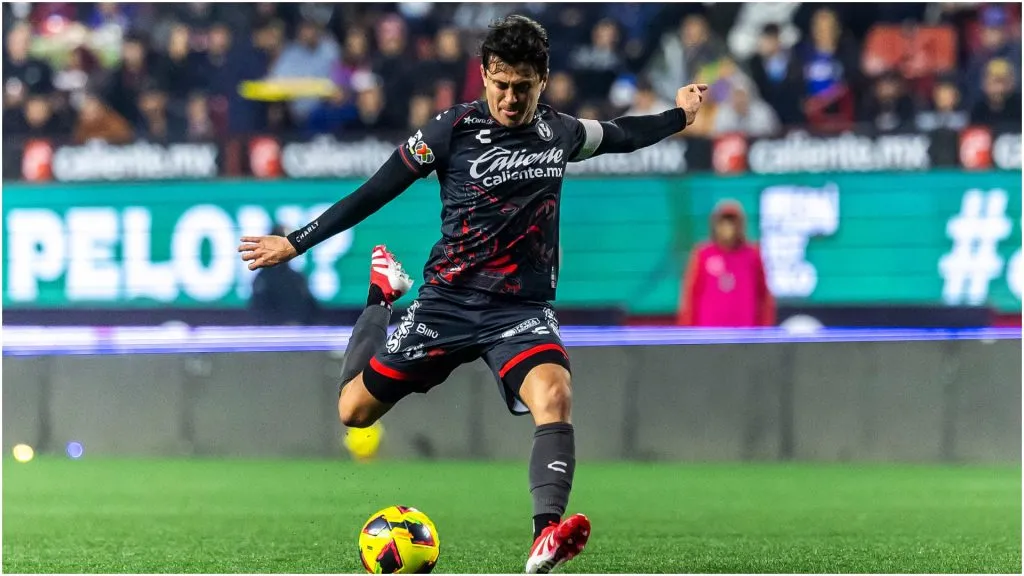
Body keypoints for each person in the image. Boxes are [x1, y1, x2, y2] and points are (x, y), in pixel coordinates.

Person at [238, 15, 706, 574]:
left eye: (523, 87)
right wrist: (296, 241)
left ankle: (545, 536)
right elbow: (374, 191)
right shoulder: (449, 130)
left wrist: (681, 115)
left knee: (554, 397)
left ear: (543, 79)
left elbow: (624, 134)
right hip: (447, 303)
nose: (510, 99)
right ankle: (381, 296)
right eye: (501, 84)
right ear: (484, 76)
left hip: (520, 311)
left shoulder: (560, 133)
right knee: (354, 412)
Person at [677, 200, 775, 328]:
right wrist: (687, 331)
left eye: (732, 223)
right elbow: (691, 295)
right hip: (708, 334)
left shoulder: (752, 255)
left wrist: (764, 329)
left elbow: (763, 296)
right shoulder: (704, 254)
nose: (727, 228)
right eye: (722, 223)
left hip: (745, 334)